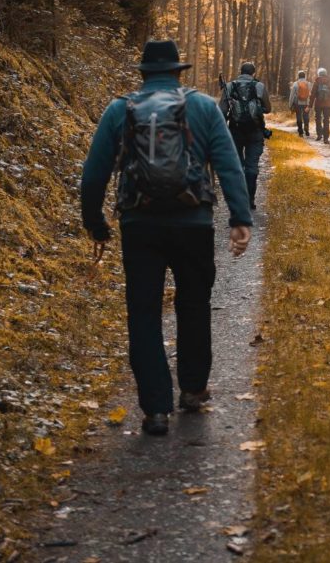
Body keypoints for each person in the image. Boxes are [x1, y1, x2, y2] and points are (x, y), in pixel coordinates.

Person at [80, 40, 253, 437]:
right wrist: (240, 218)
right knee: (194, 303)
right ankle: (192, 390)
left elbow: (93, 174)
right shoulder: (205, 107)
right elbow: (228, 163)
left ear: (143, 74)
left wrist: (94, 222)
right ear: (179, 72)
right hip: (193, 223)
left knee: (143, 312)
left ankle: (156, 409)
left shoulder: (119, 109)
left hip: (139, 226)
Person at [220, 62, 272, 210]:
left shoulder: (229, 86)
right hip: (255, 131)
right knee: (252, 166)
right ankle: (250, 199)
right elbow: (268, 109)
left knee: (237, 165)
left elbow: (222, 111)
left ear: (240, 71)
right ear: (253, 73)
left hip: (235, 131)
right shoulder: (259, 86)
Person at [308, 67, 330, 144]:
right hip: (328, 105)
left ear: (319, 74)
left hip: (318, 104)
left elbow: (312, 95)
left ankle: (319, 135)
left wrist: (310, 106)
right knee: (326, 120)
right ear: (326, 74)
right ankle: (326, 138)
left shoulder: (316, 82)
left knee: (318, 119)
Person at [288, 70, 311, 137]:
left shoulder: (295, 84)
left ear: (298, 76)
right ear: (305, 76)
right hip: (306, 103)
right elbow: (311, 94)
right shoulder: (308, 84)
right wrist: (310, 104)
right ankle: (306, 129)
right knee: (306, 116)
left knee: (299, 116)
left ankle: (300, 132)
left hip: (297, 103)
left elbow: (291, 95)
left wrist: (290, 104)